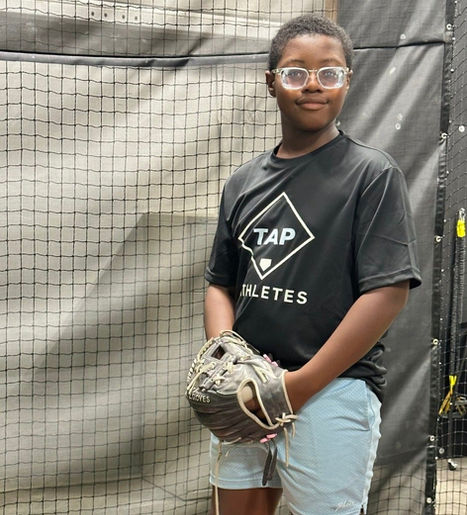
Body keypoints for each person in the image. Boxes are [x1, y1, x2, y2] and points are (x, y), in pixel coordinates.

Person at [203, 13, 422, 515]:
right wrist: (231, 367)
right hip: (248, 393)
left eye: (330, 72)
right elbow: (220, 283)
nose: (313, 84)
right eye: (296, 72)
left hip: (331, 390)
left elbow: (387, 292)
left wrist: (297, 388)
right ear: (271, 82)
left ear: (348, 80)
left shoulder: (372, 174)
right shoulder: (242, 183)